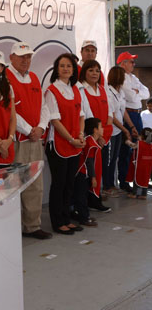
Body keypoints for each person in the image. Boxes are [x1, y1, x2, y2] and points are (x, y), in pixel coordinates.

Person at [5, 42, 52, 240]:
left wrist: (41, 127)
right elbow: (8, 110)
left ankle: (32, 226)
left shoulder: (33, 77)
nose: (26, 60)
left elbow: (44, 106)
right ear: (11, 57)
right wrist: (28, 130)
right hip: (17, 140)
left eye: (28, 57)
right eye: (21, 56)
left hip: (34, 139)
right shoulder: (4, 77)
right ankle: (12, 227)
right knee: (13, 185)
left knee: (35, 185)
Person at [44, 53, 85, 235]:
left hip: (75, 143)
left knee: (70, 183)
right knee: (59, 184)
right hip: (59, 144)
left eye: (69, 66)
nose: (66, 69)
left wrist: (81, 135)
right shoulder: (51, 91)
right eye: (62, 66)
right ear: (56, 69)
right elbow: (54, 121)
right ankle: (57, 221)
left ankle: (67, 217)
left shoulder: (75, 88)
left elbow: (82, 115)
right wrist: (71, 139)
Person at [78, 60, 113, 212]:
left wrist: (105, 134)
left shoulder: (103, 89)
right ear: (84, 72)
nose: (94, 73)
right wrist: (96, 135)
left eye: (97, 71)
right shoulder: (81, 89)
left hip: (103, 136)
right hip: (90, 137)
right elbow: (85, 115)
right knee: (90, 170)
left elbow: (110, 113)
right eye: (91, 70)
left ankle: (96, 198)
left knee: (100, 169)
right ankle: (89, 200)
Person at [117, 51, 150, 193]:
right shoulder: (121, 78)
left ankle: (139, 179)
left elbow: (147, 93)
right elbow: (130, 95)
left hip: (136, 114)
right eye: (131, 61)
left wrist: (137, 92)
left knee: (140, 147)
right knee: (126, 150)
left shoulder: (134, 77)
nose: (134, 64)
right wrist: (138, 92)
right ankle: (124, 180)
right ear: (123, 63)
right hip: (128, 114)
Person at [104, 67, 133, 198]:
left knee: (114, 159)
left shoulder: (120, 91)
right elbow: (112, 116)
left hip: (119, 131)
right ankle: (107, 186)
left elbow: (123, 111)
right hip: (111, 131)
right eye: (123, 76)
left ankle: (112, 185)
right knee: (108, 160)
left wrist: (131, 126)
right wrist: (125, 129)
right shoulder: (108, 92)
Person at [74, 118, 103, 227]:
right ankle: (84, 218)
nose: (103, 129)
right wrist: (93, 177)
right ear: (95, 130)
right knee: (81, 196)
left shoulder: (92, 140)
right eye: (101, 127)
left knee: (82, 195)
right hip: (82, 172)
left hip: (84, 173)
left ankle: (82, 214)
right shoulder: (90, 142)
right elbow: (89, 162)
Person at [125, 127, 152, 199]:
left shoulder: (139, 143)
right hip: (148, 166)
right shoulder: (150, 145)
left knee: (136, 178)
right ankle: (144, 194)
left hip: (140, 165)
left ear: (142, 136)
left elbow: (133, 146)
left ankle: (134, 193)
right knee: (145, 179)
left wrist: (127, 141)